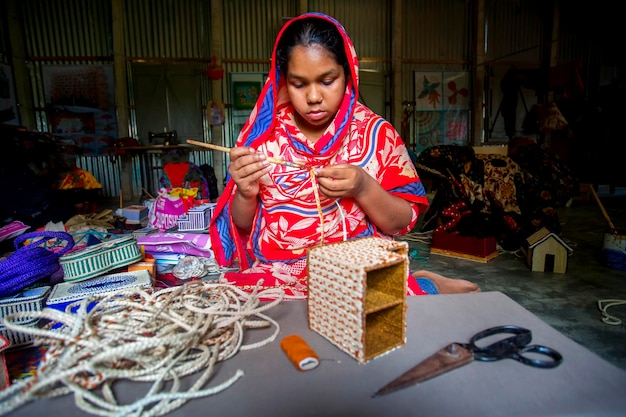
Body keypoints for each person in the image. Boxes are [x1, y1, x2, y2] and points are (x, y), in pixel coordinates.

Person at [209, 12, 478, 298]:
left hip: (355, 269)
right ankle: (415, 284)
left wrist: (364, 187)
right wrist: (246, 193)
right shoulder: (261, 139)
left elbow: (402, 222)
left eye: (327, 81)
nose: (314, 97)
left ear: (348, 73)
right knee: (233, 308)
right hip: (279, 270)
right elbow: (242, 225)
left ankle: (425, 284)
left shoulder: (375, 134)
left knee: (381, 315)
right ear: (283, 81)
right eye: (299, 84)